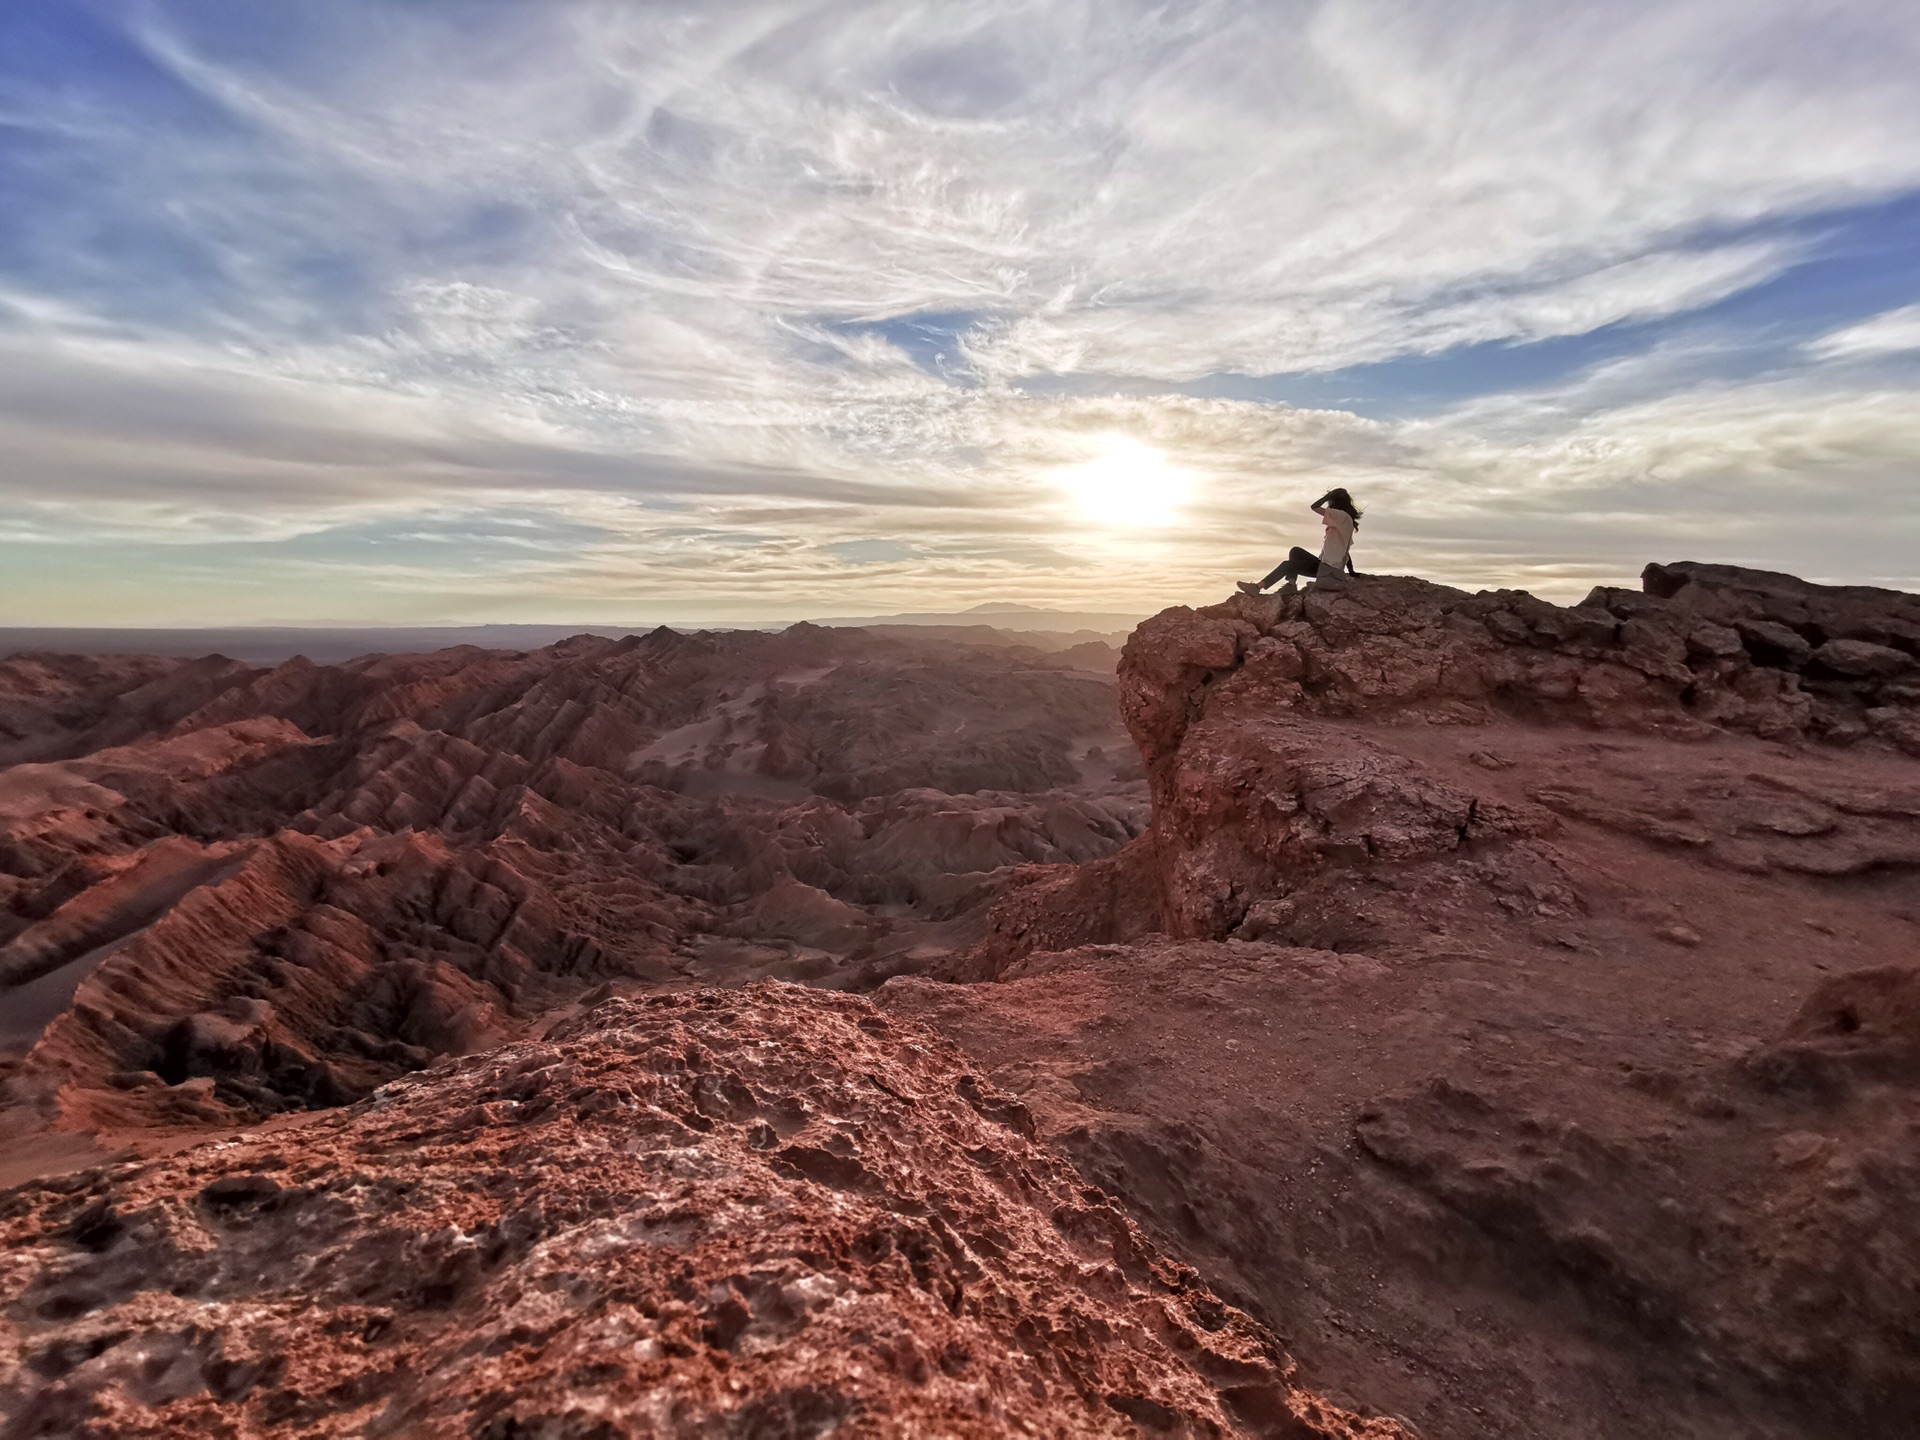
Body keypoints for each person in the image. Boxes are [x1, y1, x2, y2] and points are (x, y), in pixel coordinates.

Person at [1239, 488, 1362, 594]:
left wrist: (1327, 496)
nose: (1328, 503)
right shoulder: (1345, 520)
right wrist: (1351, 571)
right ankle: (1291, 585)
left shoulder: (1340, 515)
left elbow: (1314, 507)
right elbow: (1345, 548)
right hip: (1326, 566)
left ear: (1334, 501)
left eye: (1330, 500)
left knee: (1288, 565)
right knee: (1296, 551)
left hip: (1327, 570)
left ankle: (1257, 587)